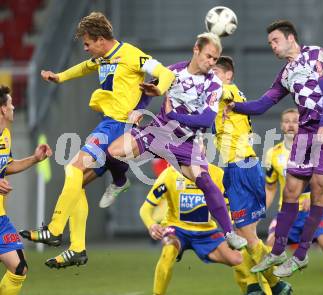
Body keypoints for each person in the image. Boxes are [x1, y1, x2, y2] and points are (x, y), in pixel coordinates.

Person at [19, 12, 175, 268]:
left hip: (118, 125)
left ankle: (55, 228)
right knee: (77, 181)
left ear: (101, 40)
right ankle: (78, 249)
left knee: (72, 168)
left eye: (87, 43)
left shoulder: (131, 54)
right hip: (108, 124)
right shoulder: (101, 58)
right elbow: (83, 67)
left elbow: (165, 72)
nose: (85, 48)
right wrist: (60, 77)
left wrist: (158, 88)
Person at [225, 20, 323, 277]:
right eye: (270, 42)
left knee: (318, 187)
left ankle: (301, 255)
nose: (272, 46)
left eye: (275, 40)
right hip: (306, 130)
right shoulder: (285, 74)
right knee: (291, 189)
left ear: (290, 38)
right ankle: (278, 250)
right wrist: (234, 106)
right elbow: (261, 105)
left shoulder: (316, 54)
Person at [107, 32, 247, 250]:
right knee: (114, 150)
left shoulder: (213, 85)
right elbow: (148, 90)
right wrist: (138, 110)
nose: (211, 63)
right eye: (208, 56)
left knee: (206, 182)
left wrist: (174, 116)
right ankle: (120, 180)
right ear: (196, 50)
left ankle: (229, 233)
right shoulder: (172, 72)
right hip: (158, 132)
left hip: (187, 143)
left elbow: (206, 120)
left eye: (214, 59)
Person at [213, 56, 292, 295]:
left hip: (241, 170)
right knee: (242, 235)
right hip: (244, 167)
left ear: (228, 75)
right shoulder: (225, 96)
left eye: (215, 71)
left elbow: (209, 90)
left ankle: (276, 285)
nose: (210, 76)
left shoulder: (227, 90)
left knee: (246, 237)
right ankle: (259, 286)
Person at [265, 108, 323, 295]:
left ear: (302, 124)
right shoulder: (272, 154)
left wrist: (311, 197)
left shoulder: (316, 150)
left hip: (313, 210)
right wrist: (260, 212)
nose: (291, 125)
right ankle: (272, 290)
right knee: (268, 248)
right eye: (287, 121)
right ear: (282, 125)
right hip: (288, 213)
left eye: (295, 121)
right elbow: (270, 187)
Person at [140, 162, 245, 295]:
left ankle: (253, 290)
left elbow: (234, 206)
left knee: (237, 259)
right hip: (176, 229)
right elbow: (145, 209)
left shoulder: (217, 174)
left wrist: (229, 226)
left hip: (206, 232)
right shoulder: (169, 174)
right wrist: (151, 225)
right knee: (168, 251)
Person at [0, 85, 53, 294]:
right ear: (3, 109)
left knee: (19, 268)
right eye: (11, 103)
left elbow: (7, 165)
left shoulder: (5, 136)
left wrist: (34, 159)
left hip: (0, 218)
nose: (14, 107)